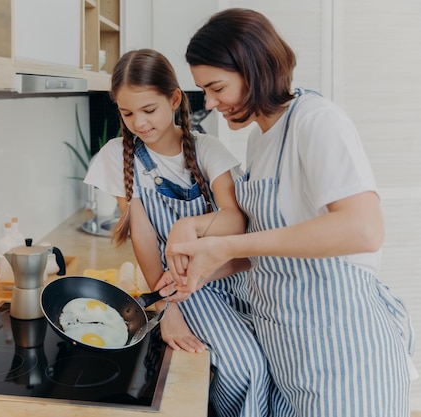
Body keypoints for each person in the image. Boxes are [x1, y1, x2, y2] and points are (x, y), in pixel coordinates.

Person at [162, 8, 416, 417]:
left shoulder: (316, 121)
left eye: (216, 87)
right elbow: (277, 250)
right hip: (292, 356)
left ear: (254, 68)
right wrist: (202, 269)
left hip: (344, 358)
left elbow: (363, 229)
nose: (209, 103)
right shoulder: (262, 139)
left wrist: (224, 244)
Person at [84, 48, 279, 417]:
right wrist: (164, 308)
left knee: (273, 366)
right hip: (180, 286)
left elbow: (236, 220)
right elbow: (142, 238)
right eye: (127, 113)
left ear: (174, 99)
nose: (138, 123)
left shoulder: (208, 149)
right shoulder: (117, 156)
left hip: (231, 277)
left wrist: (184, 226)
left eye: (148, 110)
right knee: (244, 368)